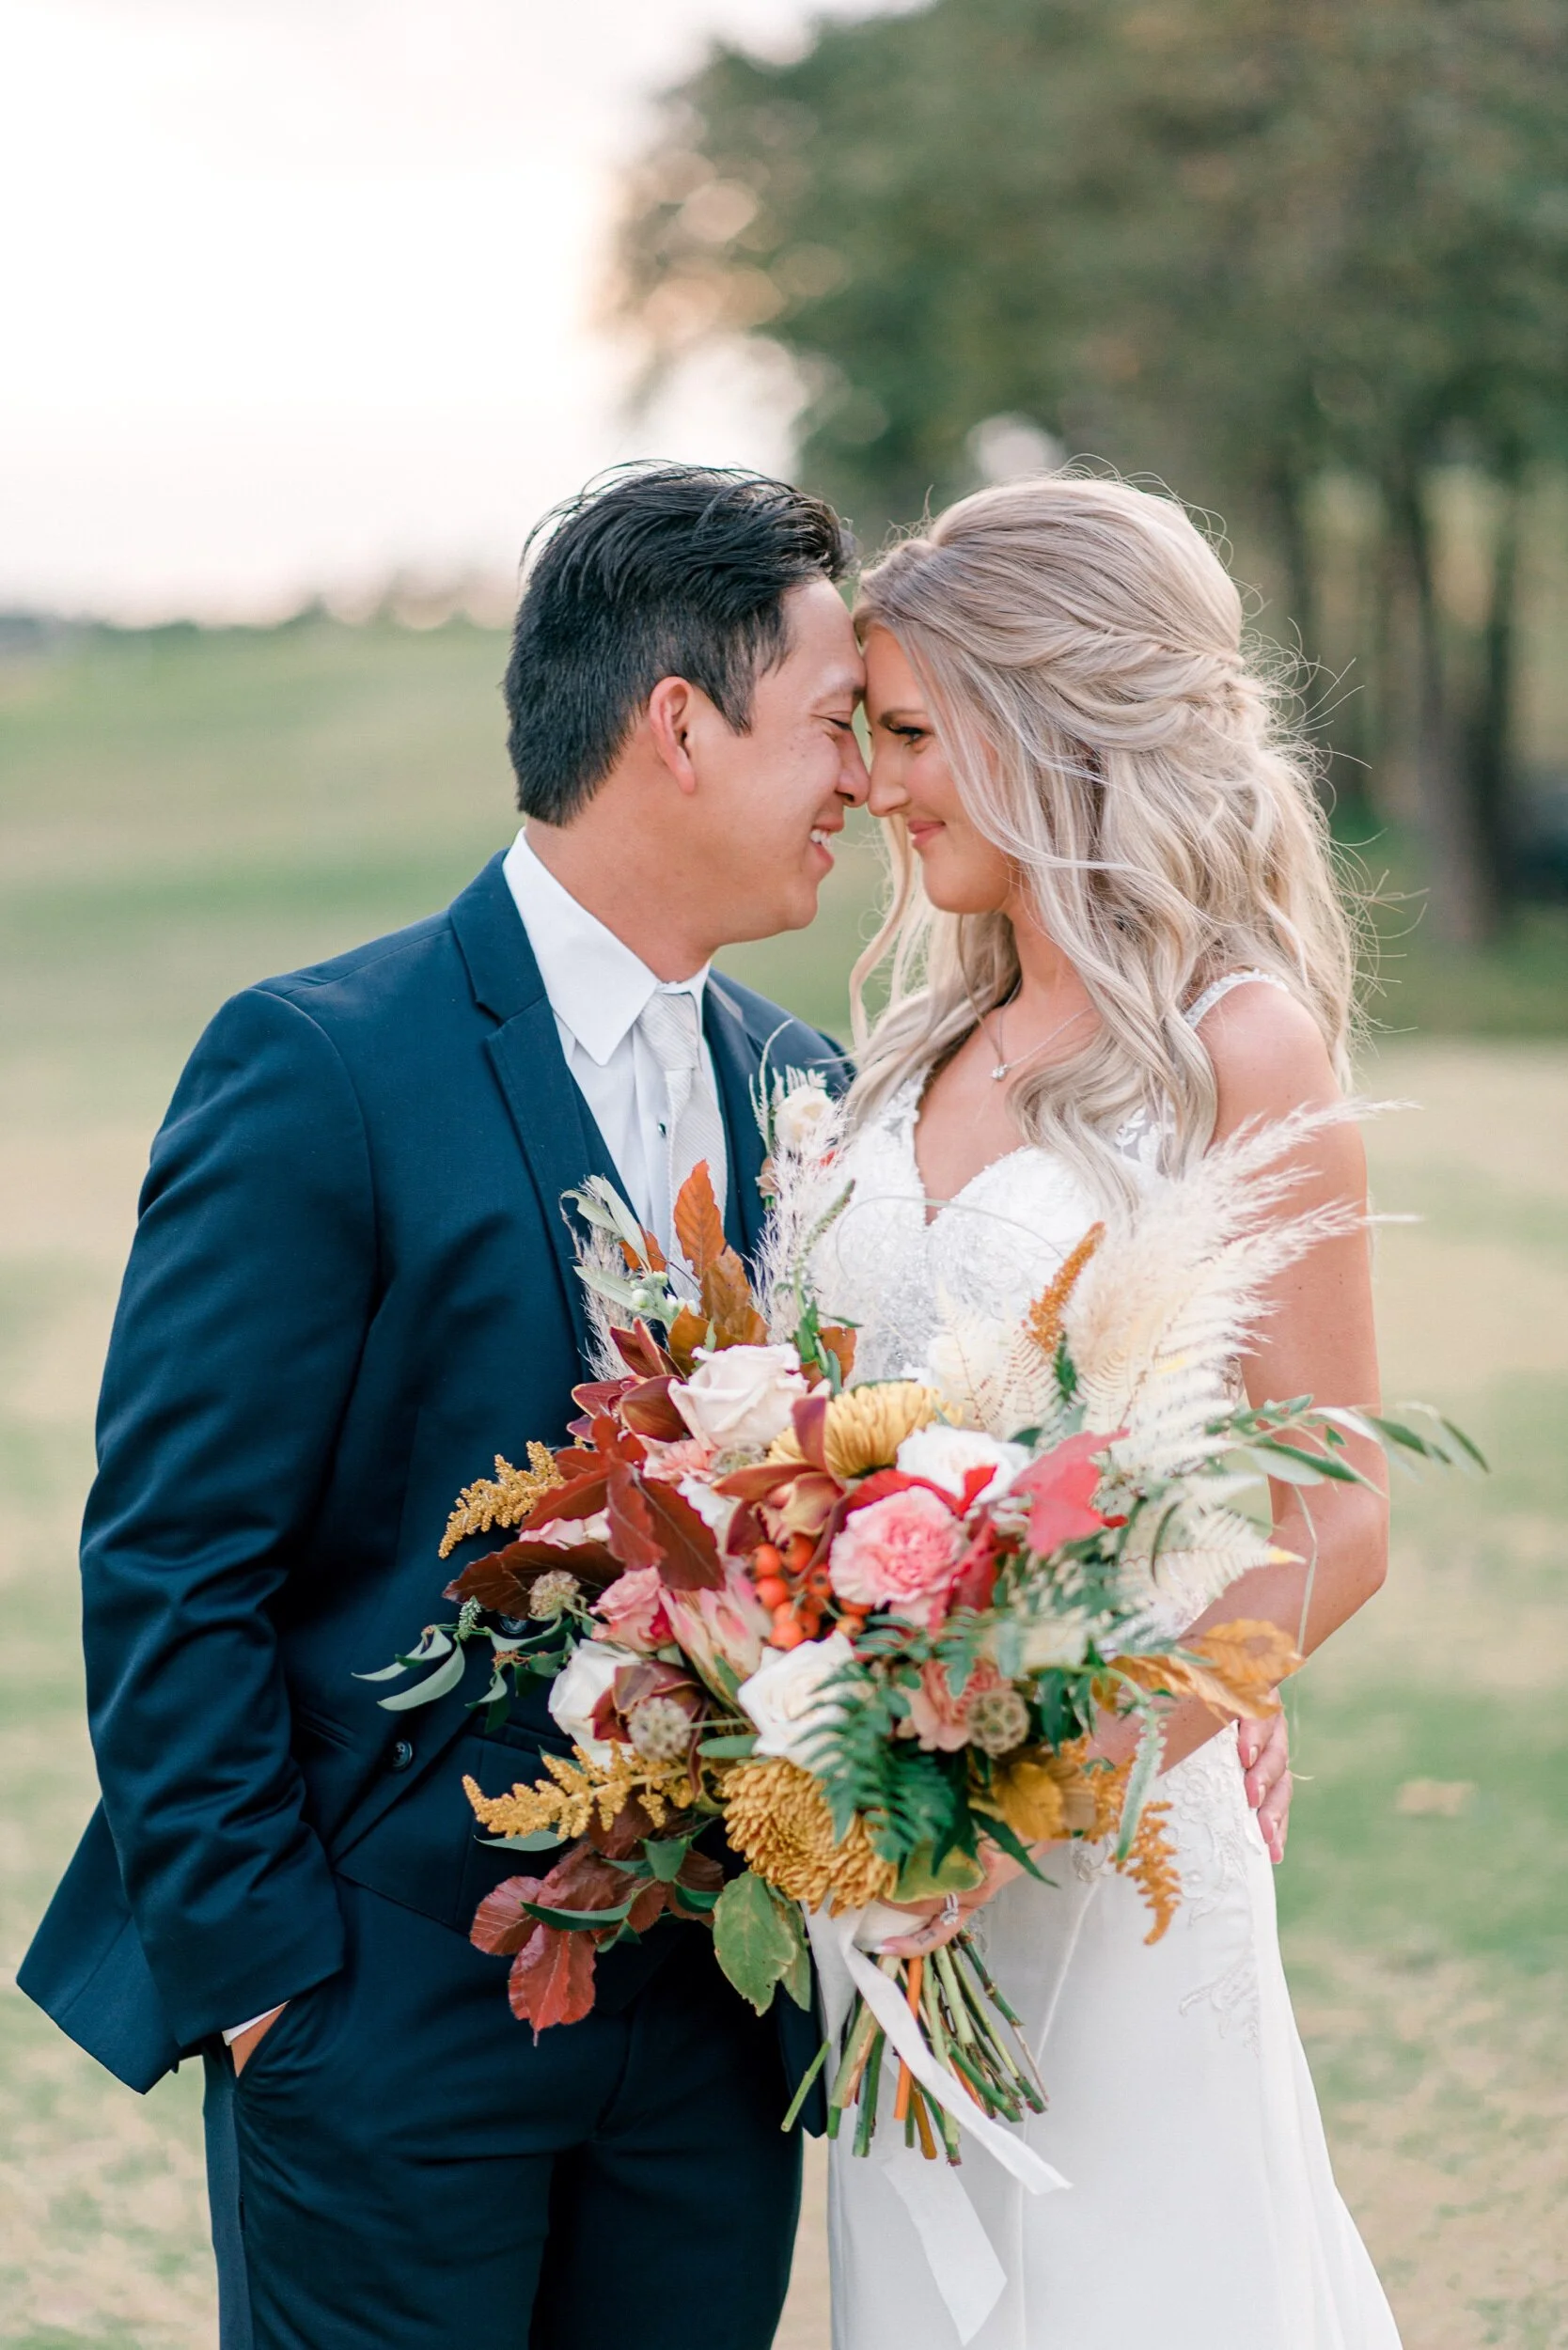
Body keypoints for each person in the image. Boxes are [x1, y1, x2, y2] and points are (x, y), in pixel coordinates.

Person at [19, 460, 1290, 2350]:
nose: (863, 782)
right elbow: (174, 1555)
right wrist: (273, 1985)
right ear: (678, 727)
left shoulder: (825, 1099)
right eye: (829, 725)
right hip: (382, 2022)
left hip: (720, 2033)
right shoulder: (321, 1067)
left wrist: (1195, 1666)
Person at [816, 472, 1398, 2348]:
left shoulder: (1236, 1044)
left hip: (1112, 1854)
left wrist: (1055, 1772)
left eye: (908, 730)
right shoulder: (906, 1042)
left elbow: (1340, 1512)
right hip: (881, 1866)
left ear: (1049, 723)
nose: (878, 781)